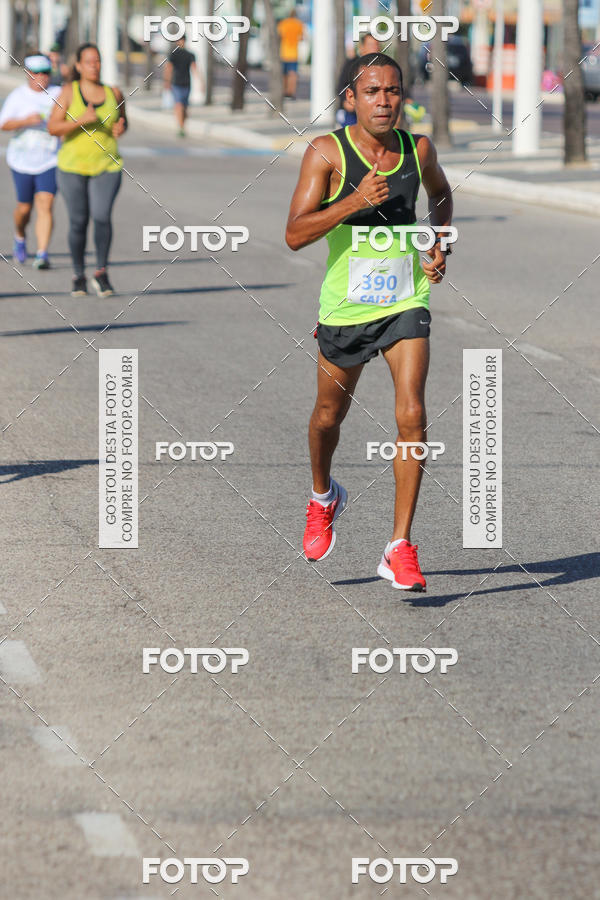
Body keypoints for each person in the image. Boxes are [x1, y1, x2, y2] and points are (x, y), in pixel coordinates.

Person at [285, 53, 453, 592]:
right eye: (373, 91)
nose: (385, 101)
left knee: (412, 413)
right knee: (327, 417)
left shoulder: (417, 149)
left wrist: (438, 243)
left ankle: (399, 545)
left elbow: (441, 194)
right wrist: (352, 202)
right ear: (351, 99)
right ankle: (322, 495)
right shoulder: (327, 153)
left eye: (393, 91)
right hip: (346, 307)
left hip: (406, 298)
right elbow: (294, 234)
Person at [48, 43, 126, 297]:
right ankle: (78, 274)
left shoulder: (114, 92)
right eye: (89, 61)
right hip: (72, 167)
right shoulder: (68, 92)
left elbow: (123, 122)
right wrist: (80, 121)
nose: (94, 65)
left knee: (102, 216)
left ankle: (101, 272)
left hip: (107, 165)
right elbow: (53, 127)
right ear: (79, 66)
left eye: (97, 60)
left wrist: (121, 128)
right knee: (78, 221)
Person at [0, 54, 61, 269]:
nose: (42, 77)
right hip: (21, 161)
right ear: (28, 74)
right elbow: (3, 124)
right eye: (37, 73)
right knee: (24, 209)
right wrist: (25, 121)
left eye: (46, 72)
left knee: (46, 204)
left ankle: (42, 254)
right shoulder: (18, 96)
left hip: (50, 160)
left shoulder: (59, 93)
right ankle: (20, 235)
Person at [336, 33, 381, 128]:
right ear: (362, 47)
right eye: (370, 45)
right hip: (351, 113)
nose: (374, 48)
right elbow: (341, 87)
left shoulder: (383, 67)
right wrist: (346, 101)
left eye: (376, 44)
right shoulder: (352, 64)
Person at [163, 37, 198, 137]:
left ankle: (182, 125)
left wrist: (200, 82)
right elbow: (169, 68)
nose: (181, 42)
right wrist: (167, 81)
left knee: (185, 107)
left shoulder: (190, 54)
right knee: (179, 105)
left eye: (182, 40)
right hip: (176, 83)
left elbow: (194, 68)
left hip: (187, 83)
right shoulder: (173, 54)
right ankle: (181, 128)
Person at [277, 8, 304, 99]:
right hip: (294, 53)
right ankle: (291, 92)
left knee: (284, 74)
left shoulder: (283, 23)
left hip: (284, 52)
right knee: (293, 74)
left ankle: (284, 91)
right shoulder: (299, 24)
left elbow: (279, 36)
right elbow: (301, 38)